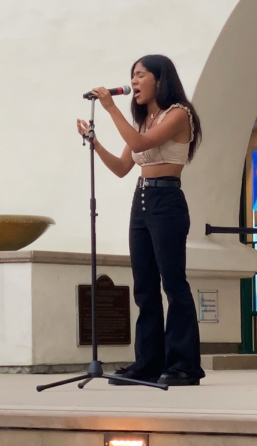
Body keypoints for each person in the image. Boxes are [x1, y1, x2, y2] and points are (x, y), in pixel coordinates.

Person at [76, 54, 205, 386]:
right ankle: (147, 362)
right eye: (131, 76)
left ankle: (183, 365)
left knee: (173, 285)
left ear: (159, 80)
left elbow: (141, 144)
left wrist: (109, 107)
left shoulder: (178, 114)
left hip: (167, 200)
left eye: (140, 75)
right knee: (144, 287)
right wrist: (95, 143)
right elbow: (122, 168)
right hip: (142, 200)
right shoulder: (144, 121)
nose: (133, 82)